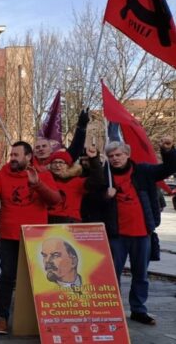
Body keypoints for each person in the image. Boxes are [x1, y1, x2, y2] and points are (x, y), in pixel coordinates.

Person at [0, 141, 61, 335]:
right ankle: (2, 318)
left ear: (28, 156)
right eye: (11, 155)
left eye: (16, 155)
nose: (13, 159)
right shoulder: (2, 173)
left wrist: (37, 185)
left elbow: (55, 199)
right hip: (10, 235)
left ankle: (43, 319)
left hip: (36, 237)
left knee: (42, 278)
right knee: (7, 277)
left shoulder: (43, 173)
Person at [101, 137, 175, 325]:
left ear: (127, 154)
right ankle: (111, 309)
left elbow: (168, 169)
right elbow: (91, 198)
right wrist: (105, 196)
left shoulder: (143, 171)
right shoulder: (104, 175)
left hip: (142, 234)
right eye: (111, 156)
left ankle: (138, 310)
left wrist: (168, 151)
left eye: (119, 154)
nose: (115, 158)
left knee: (141, 274)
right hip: (116, 235)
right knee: (112, 275)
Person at [47, 148, 105, 224]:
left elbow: (97, 180)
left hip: (70, 221)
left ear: (68, 166)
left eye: (61, 162)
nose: (57, 165)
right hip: (49, 221)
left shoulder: (77, 181)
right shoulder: (46, 180)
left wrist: (94, 159)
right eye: (54, 163)